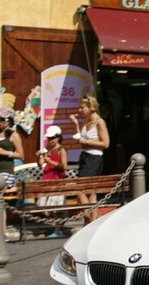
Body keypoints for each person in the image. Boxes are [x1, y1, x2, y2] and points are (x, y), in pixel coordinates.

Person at [0, 106, 24, 239]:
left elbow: (21, 155)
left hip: (6, 170)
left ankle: (2, 232)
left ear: (9, 121)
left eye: (2, 119)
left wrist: (5, 152)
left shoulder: (13, 135)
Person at [70, 95, 109, 223]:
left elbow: (106, 143)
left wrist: (87, 141)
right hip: (84, 156)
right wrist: (76, 125)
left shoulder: (100, 122)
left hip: (94, 158)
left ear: (90, 107)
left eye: (82, 107)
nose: (80, 110)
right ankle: (91, 221)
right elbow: (81, 140)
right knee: (91, 192)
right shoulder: (85, 121)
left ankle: (88, 218)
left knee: (79, 189)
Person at [36, 125, 68, 238]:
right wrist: (40, 156)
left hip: (56, 179)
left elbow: (63, 166)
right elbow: (40, 165)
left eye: (52, 138)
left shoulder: (61, 150)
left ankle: (57, 229)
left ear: (58, 137)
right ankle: (55, 227)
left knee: (55, 206)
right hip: (47, 178)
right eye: (49, 138)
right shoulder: (47, 149)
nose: (50, 140)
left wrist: (50, 161)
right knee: (46, 205)